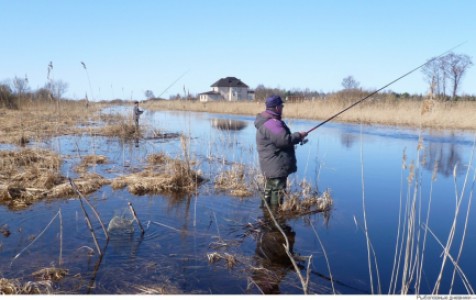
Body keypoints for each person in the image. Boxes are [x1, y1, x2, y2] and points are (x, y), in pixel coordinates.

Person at [254, 95, 308, 209]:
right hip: (276, 165)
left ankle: (267, 216)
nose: (282, 108)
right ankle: (274, 218)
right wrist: (299, 135)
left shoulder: (265, 121)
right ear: (277, 107)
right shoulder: (272, 123)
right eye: (281, 106)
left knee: (269, 192)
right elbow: (283, 140)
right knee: (277, 194)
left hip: (271, 164)